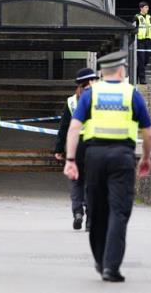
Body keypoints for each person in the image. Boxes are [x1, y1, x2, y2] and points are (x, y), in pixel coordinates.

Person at [63, 51, 151, 282]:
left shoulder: (90, 94)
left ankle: (99, 259)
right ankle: (111, 267)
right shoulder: (132, 94)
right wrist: (146, 158)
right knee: (119, 211)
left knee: (97, 210)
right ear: (122, 70)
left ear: (102, 72)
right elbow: (148, 131)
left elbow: (74, 128)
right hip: (122, 157)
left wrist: (70, 160)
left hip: (93, 157)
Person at [54, 67, 99, 231]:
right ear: (92, 81)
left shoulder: (71, 101)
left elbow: (64, 127)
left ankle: (77, 212)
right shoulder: (99, 99)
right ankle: (90, 220)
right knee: (91, 182)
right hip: (93, 144)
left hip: (76, 145)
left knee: (76, 181)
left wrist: (58, 148)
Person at [133, 1, 151, 85]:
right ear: (141, 8)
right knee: (141, 60)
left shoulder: (149, 17)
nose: (147, 9)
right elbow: (134, 29)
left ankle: (136, 74)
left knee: (146, 60)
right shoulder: (137, 17)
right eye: (146, 7)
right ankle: (142, 79)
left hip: (148, 41)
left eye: (148, 7)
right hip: (140, 41)